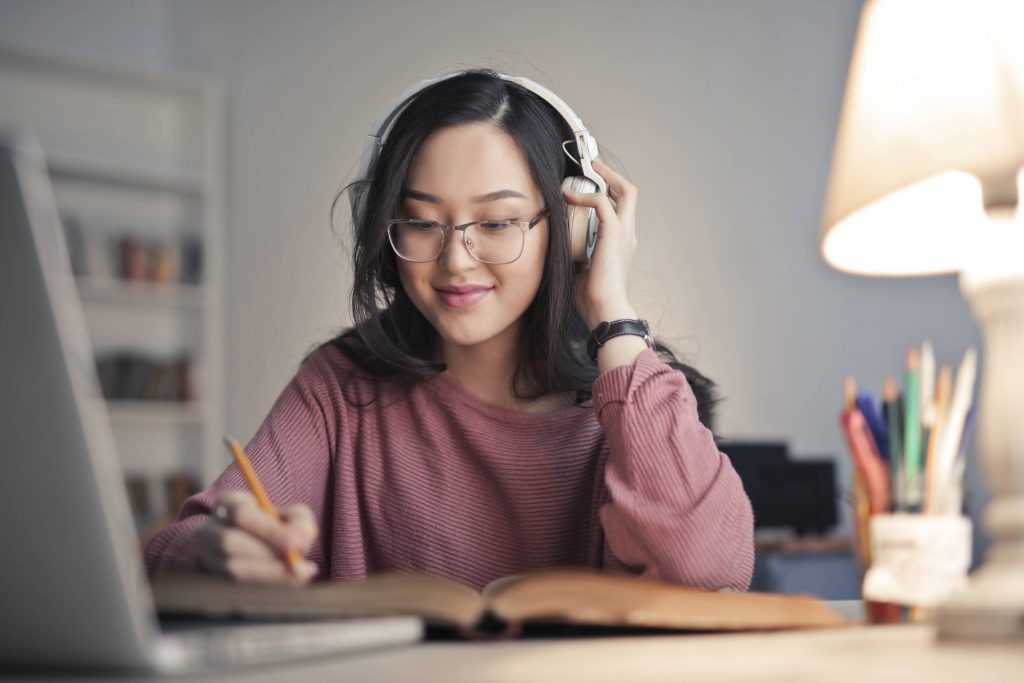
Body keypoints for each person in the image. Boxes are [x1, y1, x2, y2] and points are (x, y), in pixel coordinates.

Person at [144, 69, 754, 591]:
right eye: (419, 220)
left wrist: (613, 316)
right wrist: (212, 552)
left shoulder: (634, 403)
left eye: (497, 222)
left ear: (574, 228)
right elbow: (167, 556)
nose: (456, 260)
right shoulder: (340, 387)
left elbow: (704, 574)